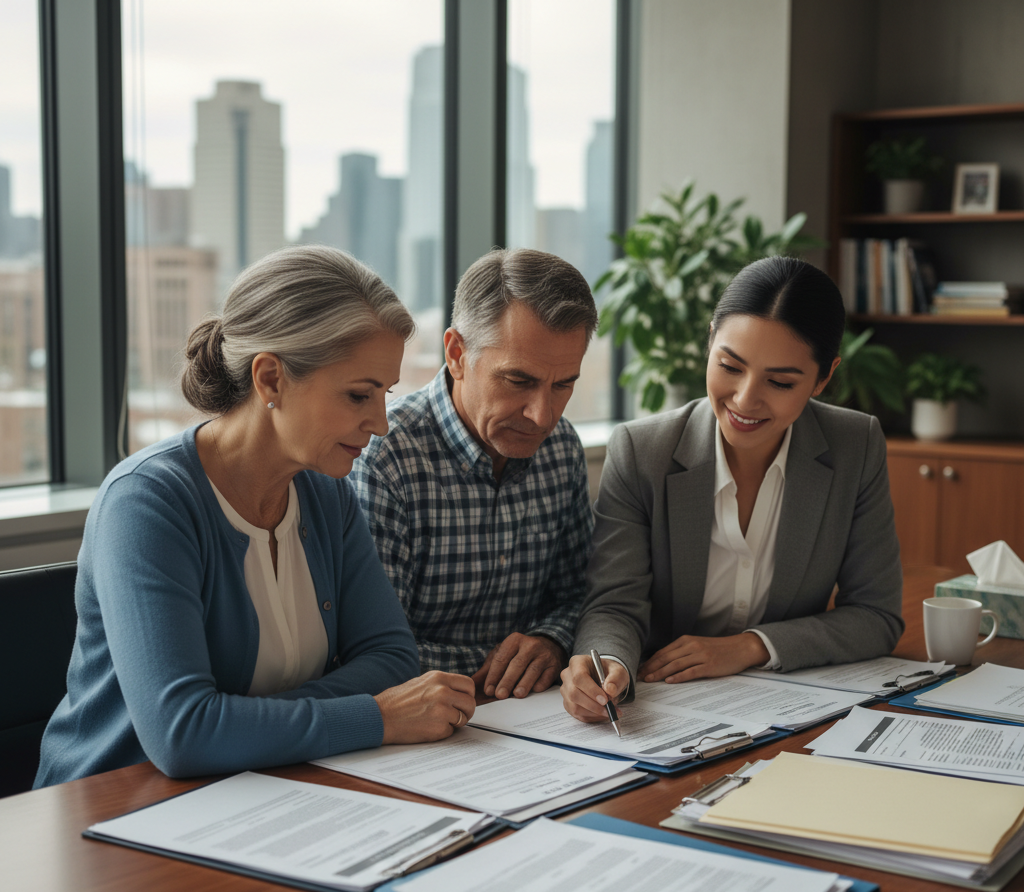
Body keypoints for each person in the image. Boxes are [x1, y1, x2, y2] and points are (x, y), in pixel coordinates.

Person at [35, 246, 476, 787]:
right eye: (359, 395)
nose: (380, 423)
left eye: (384, 393)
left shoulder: (324, 492)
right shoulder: (145, 503)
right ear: (269, 379)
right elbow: (183, 735)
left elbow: (392, 658)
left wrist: (239, 721)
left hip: (262, 787)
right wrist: (375, 716)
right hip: (116, 805)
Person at [561, 255, 904, 722]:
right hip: (670, 708)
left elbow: (876, 614)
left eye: (780, 381)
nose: (745, 399)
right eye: (730, 365)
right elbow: (614, 604)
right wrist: (611, 663)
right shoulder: (642, 452)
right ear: (710, 342)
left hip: (790, 708)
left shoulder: (855, 446)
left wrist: (749, 648)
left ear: (824, 377)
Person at [350, 249, 596, 702]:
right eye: (518, 380)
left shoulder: (561, 448)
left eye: (563, 385)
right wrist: (502, 666)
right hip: (420, 724)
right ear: (457, 353)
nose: (542, 416)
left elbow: (584, 596)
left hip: (536, 718)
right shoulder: (386, 458)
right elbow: (375, 652)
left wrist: (552, 641)